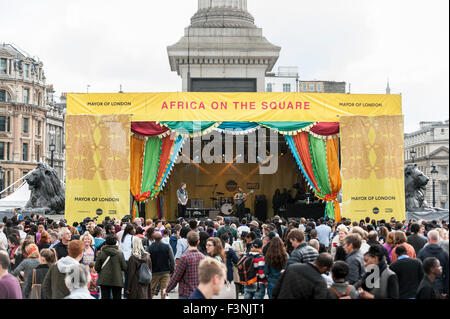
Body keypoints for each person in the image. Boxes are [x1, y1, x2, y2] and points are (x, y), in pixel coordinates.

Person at [165, 231, 205, 299]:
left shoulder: (184, 258)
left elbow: (176, 277)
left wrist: (167, 289)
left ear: (187, 242)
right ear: (198, 242)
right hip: (199, 292)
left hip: (185, 293)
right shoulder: (203, 257)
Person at [95, 235, 127, 299]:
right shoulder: (120, 253)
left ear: (106, 243)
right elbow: (124, 267)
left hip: (104, 279)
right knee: (117, 296)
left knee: (105, 297)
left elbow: (96, 267)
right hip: (117, 279)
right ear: (115, 243)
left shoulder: (101, 253)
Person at [417, 230, 449, 295]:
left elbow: (418, 270)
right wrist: (446, 290)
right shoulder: (444, 253)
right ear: (438, 238)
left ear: (428, 238)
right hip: (440, 286)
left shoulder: (422, 252)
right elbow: (447, 272)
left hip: (425, 285)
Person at [148, 232, 174, 299]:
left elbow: (147, 260)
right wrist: (172, 269)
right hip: (165, 271)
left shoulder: (150, 248)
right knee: (164, 290)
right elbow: (172, 259)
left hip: (154, 272)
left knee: (151, 290)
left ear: (154, 238)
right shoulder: (167, 246)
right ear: (161, 238)